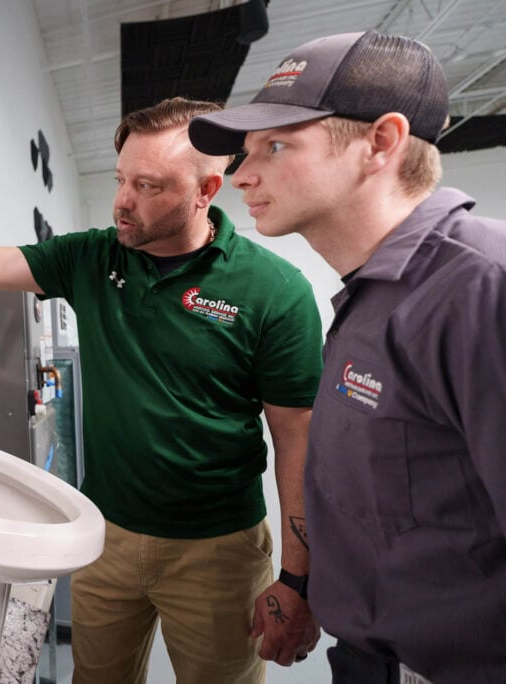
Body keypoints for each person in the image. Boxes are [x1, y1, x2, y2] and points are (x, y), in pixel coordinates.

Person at [0, 96, 323, 683]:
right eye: (121, 178)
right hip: (105, 533)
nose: (122, 201)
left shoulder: (275, 291)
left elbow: (298, 441)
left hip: (218, 550)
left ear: (205, 190)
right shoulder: (92, 256)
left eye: (148, 186)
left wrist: (297, 579)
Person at [189, 31, 506, 683]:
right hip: (368, 658)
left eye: (276, 146)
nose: (242, 175)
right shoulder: (368, 300)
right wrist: (303, 587)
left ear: (381, 142)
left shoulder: (480, 287)